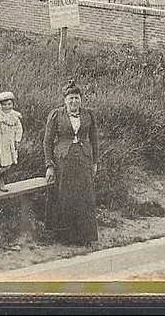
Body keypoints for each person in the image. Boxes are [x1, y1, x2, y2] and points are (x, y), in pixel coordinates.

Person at [43, 81, 100, 244]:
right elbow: (47, 141)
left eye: (76, 98)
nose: (73, 101)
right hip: (63, 160)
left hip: (83, 159)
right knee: (65, 197)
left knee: (84, 197)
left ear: (81, 99)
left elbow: (94, 139)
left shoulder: (88, 114)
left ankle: (84, 237)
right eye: (70, 98)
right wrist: (49, 165)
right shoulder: (56, 115)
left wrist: (95, 162)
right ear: (64, 100)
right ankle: (65, 237)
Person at [0, 91, 24, 192]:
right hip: (0, 143)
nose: (7, 107)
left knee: (9, 163)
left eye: (9, 104)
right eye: (4, 105)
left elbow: (19, 129)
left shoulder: (14, 117)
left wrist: (17, 140)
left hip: (10, 143)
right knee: (4, 163)